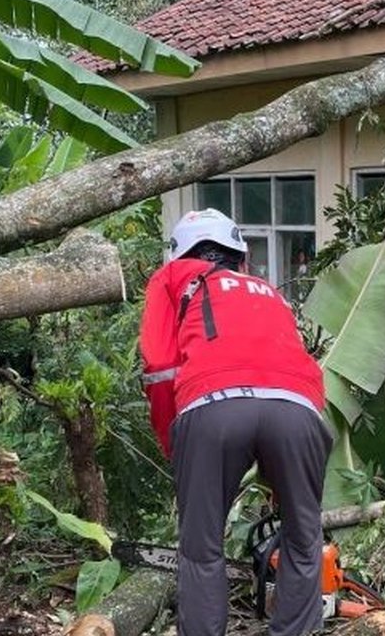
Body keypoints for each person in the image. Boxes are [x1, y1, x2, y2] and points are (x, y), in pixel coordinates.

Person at [139, 208, 333, 636]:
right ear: (241, 258)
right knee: (304, 538)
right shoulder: (268, 291)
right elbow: (291, 367)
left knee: (202, 548)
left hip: (212, 406)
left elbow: (159, 368)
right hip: (298, 409)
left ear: (180, 255)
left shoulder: (173, 280)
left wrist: (174, 440)